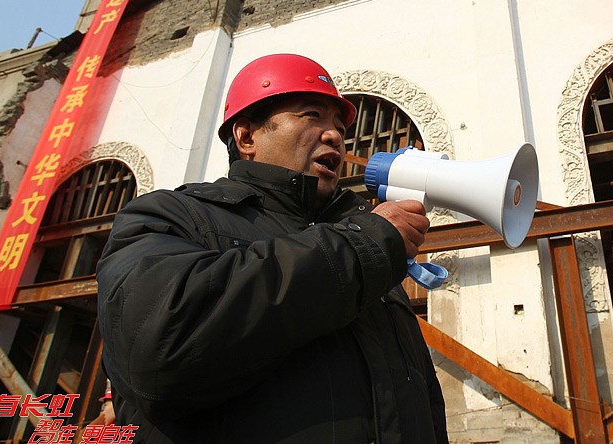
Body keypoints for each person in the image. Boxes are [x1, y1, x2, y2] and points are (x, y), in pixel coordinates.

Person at [96, 54, 448, 443]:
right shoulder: (170, 216)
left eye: (338, 125)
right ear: (246, 137)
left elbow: (425, 404)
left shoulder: (363, 245)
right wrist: (363, 244)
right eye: (312, 115)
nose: (334, 135)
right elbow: (162, 347)